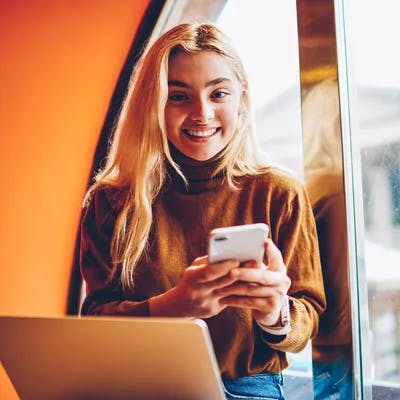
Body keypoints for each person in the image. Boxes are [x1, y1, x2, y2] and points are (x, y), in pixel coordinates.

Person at [80, 22, 326, 400]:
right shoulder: (112, 201)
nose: (202, 113)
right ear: (154, 103)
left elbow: (306, 316)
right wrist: (172, 307)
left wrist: (276, 315)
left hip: (247, 388)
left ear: (241, 99)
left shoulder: (279, 193)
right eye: (178, 96)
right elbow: (94, 321)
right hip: (138, 387)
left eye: (219, 93)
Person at [302, 77, 354, 399]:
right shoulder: (336, 191)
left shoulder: (310, 186)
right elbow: (340, 289)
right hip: (336, 354)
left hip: (316, 348)